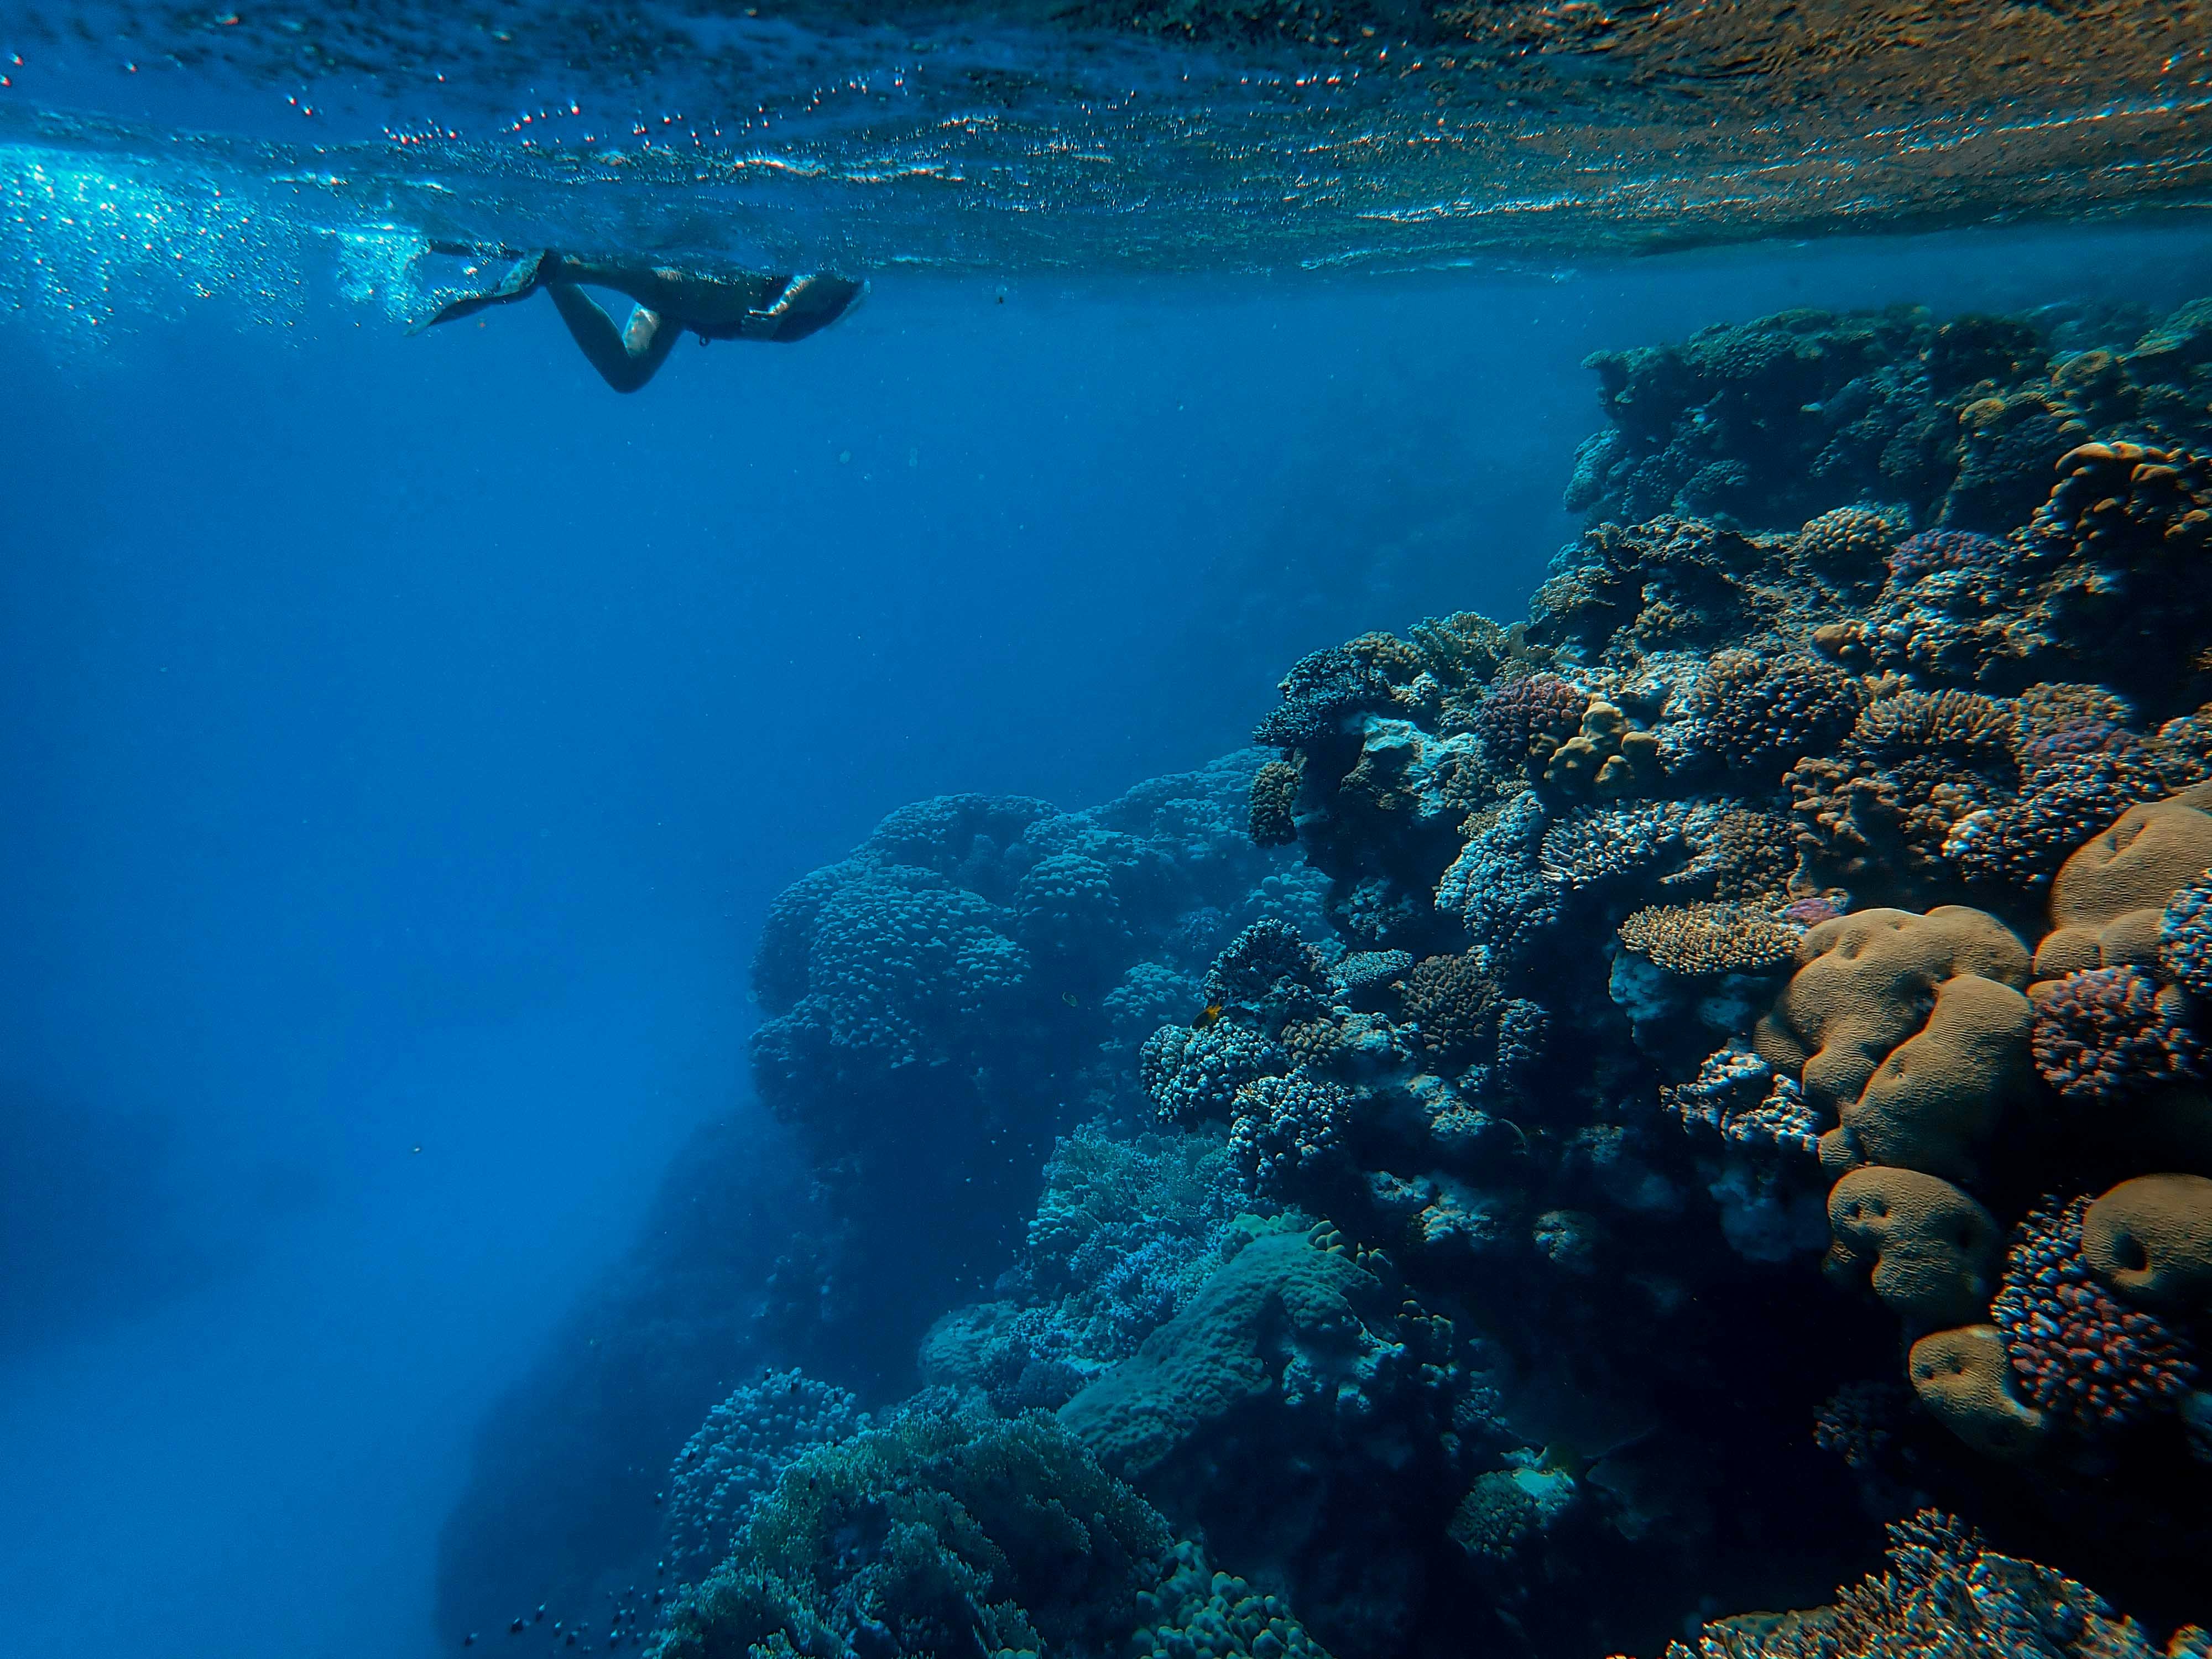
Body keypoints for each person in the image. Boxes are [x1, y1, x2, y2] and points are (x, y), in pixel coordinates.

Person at [414, 249, 866, 392]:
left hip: (714, 314)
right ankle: (561, 266)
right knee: (689, 297)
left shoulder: (833, 315)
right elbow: (828, 276)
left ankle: (550, 272)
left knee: (627, 374)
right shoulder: (838, 296)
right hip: (756, 295)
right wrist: (782, 310)